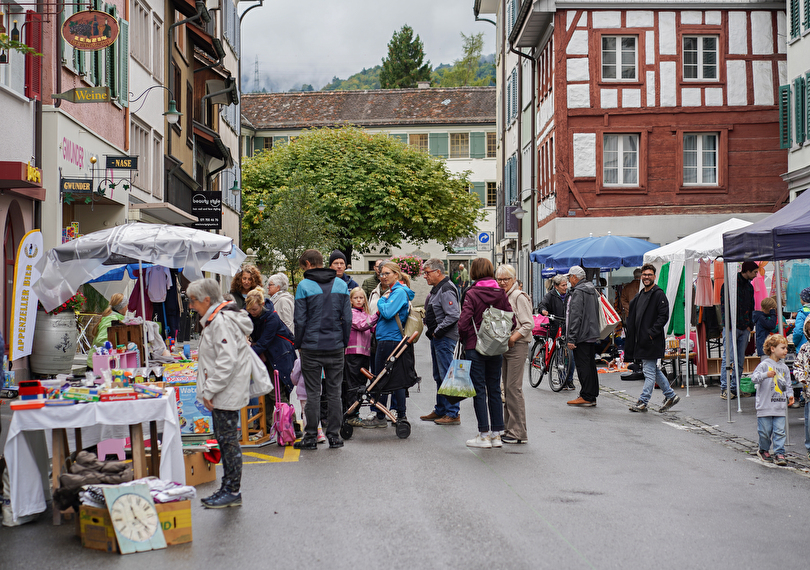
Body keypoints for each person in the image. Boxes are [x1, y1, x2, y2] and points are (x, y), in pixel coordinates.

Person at [190, 278, 252, 508]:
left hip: (225, 391)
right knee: (225, 440)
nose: (191, 305)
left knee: (228, 441)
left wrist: (210, 390)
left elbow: (226, 361)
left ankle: (232, 490)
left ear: (207, 300)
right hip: (224, 390)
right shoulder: (216, 319)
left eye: (193, 300)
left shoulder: (220, 322)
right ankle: (228, 487)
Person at [293, 249, 352, 450]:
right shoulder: (341, 284)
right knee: (335, 392)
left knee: (312, 393)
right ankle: (334, 436)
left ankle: (310, 437)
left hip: (311, 346)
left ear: (308, 264)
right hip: (335, 345)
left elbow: (299, 320)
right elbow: (348, 319)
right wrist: (343, 342)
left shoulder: (304, 286)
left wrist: (298, 344)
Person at [457, 258, 513, 448]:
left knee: (479, 390)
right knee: (495, 389)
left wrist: (464, 337)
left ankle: (483, 434)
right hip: (495, 346)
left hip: (475, 345)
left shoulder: (471, 293)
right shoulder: (500, 292)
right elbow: (509, 316)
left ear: (473, 272)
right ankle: (497, 434)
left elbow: (464, 321)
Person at [363, 261, 415, 427]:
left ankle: (383, 415)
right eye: (381, 274)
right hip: (388, 339)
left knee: (382, 377)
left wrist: (380, 301)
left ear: (396, 274)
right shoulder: (394, 291)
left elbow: (386, 313)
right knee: (391, 377)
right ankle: (396, 414)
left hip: (390, 340)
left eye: (387, 273)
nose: (383, 276)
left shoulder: (397, 292)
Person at [625, 264, 680, 413]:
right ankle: (671, 395)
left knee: (649, 372)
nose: (646, 277)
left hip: (652, 340)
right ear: (641, 276)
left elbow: (664, 316)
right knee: (653, 370)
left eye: (649, 274)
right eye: (644, 274)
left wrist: (651, 332)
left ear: (654, 276)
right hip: (642, 341)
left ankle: (643, 401)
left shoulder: (658, 294)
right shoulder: (641, 294)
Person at [244, 287, 297, 433]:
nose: (252, 313)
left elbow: (263, 343)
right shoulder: (249, 314)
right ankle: (265, 427)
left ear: (261, 305)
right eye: (250, 310)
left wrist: (245, 354)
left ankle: (290, 427)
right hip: (268, 356)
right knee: (265, 393)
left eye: (254, 309)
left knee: (277, 393)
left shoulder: (272, 317)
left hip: (280, 356)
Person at [420, 258, 461, 426]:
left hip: (444, 338)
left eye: (427, 272)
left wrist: (437, 331)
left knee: (447, 375)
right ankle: (441, 409)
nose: (425, 276)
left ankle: (453, 413)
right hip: (439, 338)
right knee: (439, 375)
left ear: (438, 272)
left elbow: (453, 314)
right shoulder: (438, 288)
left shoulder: (445, 289)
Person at [497, 264, 533, 444]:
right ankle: (509, 428)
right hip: (505, 346)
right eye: (500, 279)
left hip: (517, 346)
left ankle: (519, 432)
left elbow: (528, 324)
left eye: (506, 279)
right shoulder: (503, 295)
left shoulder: (518, 296)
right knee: (506, 388)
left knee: (513, 388)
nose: (502, 282)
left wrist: (512, 339)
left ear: (514, 279)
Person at [751, 335, 793, 465]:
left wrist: (790, 395)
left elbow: (787, 383)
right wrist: (766, 375)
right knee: (765, 431)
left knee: (780, 431)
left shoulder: (784, 367)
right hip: (765, 405)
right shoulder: (764, 365)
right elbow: (754, 378)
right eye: (783, 348)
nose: (786, 350)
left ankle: (780, 452)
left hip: (779, 405)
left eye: (786, 348)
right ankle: (763, 449)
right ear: (773, 349)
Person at [719, 260, 758, 399]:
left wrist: (750, 325)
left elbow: (752, 306)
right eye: (754, 272)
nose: (756, 275)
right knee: (728, 358)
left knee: (740, 360)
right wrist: (728, 324)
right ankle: (725, 388)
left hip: (744, 327)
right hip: (731, 327)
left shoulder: (749, 287)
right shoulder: (729, 284)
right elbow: (724, 307)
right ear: (746, 271)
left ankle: (735, 388)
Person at [565, 266, 600, 407]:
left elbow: (575, 316)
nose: (568, 280)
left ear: (575, 277)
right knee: (590, 365)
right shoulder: (591, 289)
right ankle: (591, 394)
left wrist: (571, 338)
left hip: (582, 334)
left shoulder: (579, 291)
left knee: (583, 365)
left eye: (569, 277)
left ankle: (586, 395)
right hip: (591, 332)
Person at [345, 287, 376, 427]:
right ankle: (351, 415)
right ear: (351, 300)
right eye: (356, 298)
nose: (359, 300)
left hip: (364, 353)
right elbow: (362, 325)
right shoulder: (351, 313)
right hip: (353, 354)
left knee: (360, 384)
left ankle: (355, 412)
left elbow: (372, 327)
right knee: (354, 385)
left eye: (361, 298)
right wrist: (378, 314)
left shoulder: (365, 313)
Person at [539, 274, 576, 390]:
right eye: (563, 285)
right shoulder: (551, 295)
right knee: (560, 355)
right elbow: (542, 305)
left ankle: (569, 379)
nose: (566, 287)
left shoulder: (571, 294)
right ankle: (562, 380)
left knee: (571, 356)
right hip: (556, 327)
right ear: (556, 286)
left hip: (568, 327)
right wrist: (544, 310)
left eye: (566, 284)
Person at [87, 293, 126, 368]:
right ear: (123, 307)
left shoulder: (114, 317)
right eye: (126, 305)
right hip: (97, 364)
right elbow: (101, 340)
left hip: (99, 363)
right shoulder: (112, 319)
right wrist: (115, 348)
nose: (127, 308)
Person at [791, 319, 810, 460]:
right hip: (809, 392)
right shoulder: (804, 348)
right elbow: (797, 366)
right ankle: (809, 447)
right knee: (809, 422)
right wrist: (800, 377)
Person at [792, 287, 810, 352]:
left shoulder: (801, 313)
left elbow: (798, 332)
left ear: (803, 299)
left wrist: (795, 342)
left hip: (803, 348)